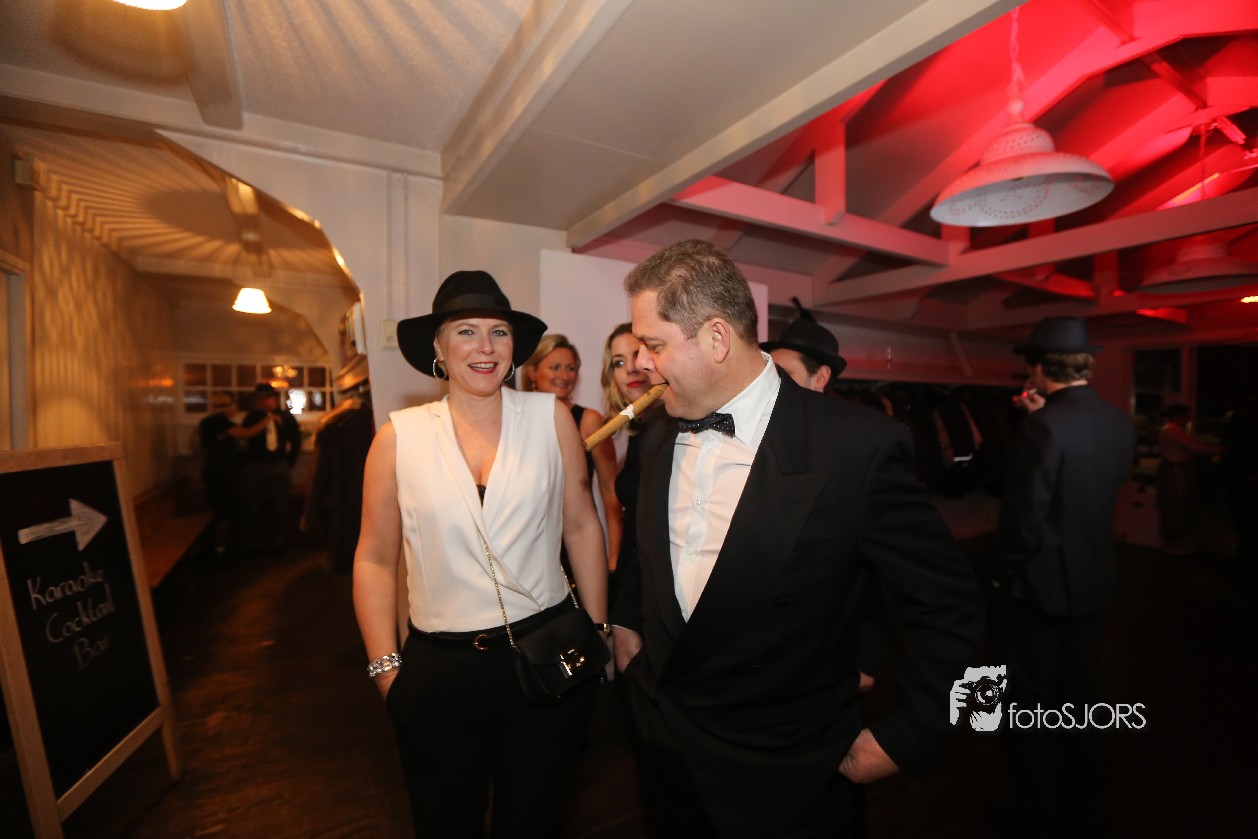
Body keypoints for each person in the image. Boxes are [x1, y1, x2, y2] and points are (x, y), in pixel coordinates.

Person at [610, 239, 982, 838]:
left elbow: (952, 606)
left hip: (789, 770)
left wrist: (909, 737)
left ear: (716, 338)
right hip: (665, 755)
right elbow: (643, 545)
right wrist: (628, 619)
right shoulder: (655, 433)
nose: (641, 366)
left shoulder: (858, 446)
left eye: (653, 345)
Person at [352, 270, 609, 837]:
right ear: (439, 348)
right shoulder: (398, 438)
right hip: (439, 668)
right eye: (466, 331)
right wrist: (385, 669)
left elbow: (581, 525)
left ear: (515, 347)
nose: (485, 347)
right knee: (445, 822)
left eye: (499, 332)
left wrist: (597, 631)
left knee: (536, 820)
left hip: (546, 654)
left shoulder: (550, 419)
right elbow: (373, 558)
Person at [991, 316, 1136, 839]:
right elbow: (1089, 482)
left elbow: (1024, 519)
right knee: (1083, 692)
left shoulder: (1042, 426)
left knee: (1028, 700)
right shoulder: (1119, 421)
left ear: (1038, 368)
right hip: (1095, 576)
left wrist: (1000, 572)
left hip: (1041, 586)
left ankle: (1036, 812)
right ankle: (1090, 801)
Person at [522, 334, 621, 572]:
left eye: (571, 368)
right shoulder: (516, 417)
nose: (565, 376)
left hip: (576, 540)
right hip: (527, 542)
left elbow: (611, 491)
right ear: (533, 372)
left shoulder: (589, 420)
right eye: (555, 367)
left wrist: (614, 558)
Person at [599, 322, 665, 612]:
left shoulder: (678, 428)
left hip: (658, 590)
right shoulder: (639, 429)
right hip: (632, 582)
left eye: (638, 354)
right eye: (618, 362)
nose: (631, 369)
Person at [198, 391, 272, 554]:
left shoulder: (208, 422)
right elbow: (248, 433)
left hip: (215, 471)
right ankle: (221, 549)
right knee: (226, 511)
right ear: (227, 406)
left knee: (224, 511)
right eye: (234, 405)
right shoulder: (219, 422)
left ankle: (221, 548)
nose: (236, 408)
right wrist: (267, 420)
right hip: (221, 473)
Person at [237, 382, 302, 559]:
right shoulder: (251, 417)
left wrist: (289, 463)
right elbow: (244, 440)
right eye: (258, 398)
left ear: (273, 399)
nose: (261, 401)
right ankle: (255, 546)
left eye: (264, 398)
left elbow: (296, 441)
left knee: (279, 507)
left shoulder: (286, 417)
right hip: (256, 466)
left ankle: (277, 544)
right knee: (253, 506)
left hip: (278, 465)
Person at [1156, 403, 1220, 555]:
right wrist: (1217, 449)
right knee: (1177, 505)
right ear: (1179, 416)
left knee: (1177, 504)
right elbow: (1196, 447)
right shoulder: (1173, 430)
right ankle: (1173, 542)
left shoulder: (1170, 429)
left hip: (1175, 469)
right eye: (1187, 415)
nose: (1189, 419)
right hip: (1175, 471)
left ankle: (1175, 541)